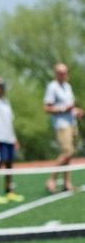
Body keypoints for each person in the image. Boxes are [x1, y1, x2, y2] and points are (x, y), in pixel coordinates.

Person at [43, 62, 81, 193]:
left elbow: (70, 107)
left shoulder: (68, 87)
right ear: (56, 73)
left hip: (72, 123)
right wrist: (64, 109)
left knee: (70, 155)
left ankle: (67, 183)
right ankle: (51, 179)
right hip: (61, 125)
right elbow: (47, 108)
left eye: (65, 72)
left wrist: (76, 111)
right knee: (67, 152)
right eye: (61, 72)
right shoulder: (52, 87)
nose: (64, 75)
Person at [0, 75, 22, 204]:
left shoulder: (6, 102)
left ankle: (9, 191)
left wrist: (15, 138)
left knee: (9, 165)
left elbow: (10, 122)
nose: (2, 89)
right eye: (0, 87)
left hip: (9, 139)